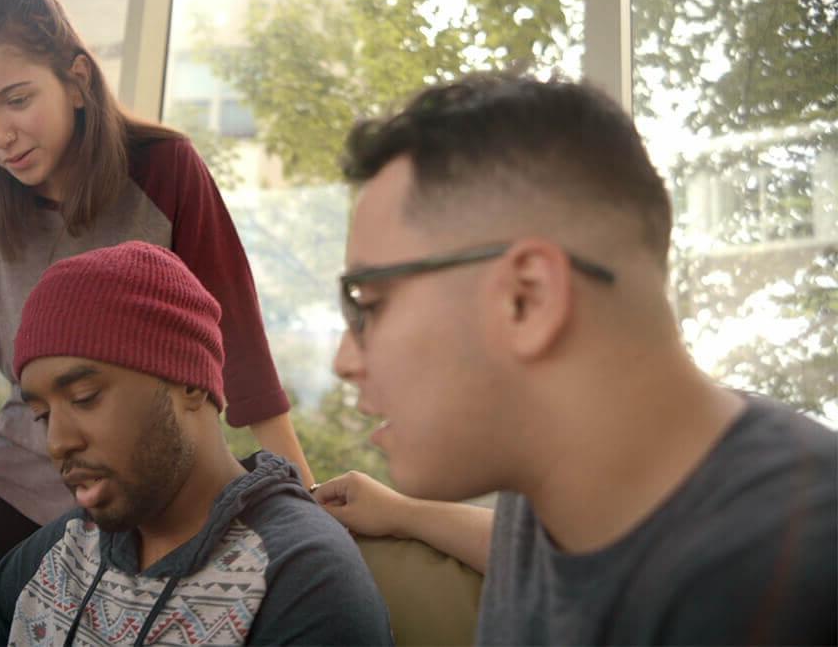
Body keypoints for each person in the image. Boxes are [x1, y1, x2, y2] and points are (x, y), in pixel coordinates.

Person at [315, 73, 836, 645]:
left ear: (528, 298)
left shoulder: (785, 581)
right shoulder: (551, 488)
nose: (346, 359)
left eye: (370, 303)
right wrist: (404, 514)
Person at [0, 0, 314, 616]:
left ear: (75, 79)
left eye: (17, 100)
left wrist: (306, 506)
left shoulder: (166, 168)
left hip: (158, 498)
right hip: (19, 489)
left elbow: (239, 345)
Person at [0, 242, 391, 646]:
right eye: (42, 415)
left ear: (190, 383)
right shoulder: (72, 544)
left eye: (86, 396)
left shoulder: (298, 575)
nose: (59, 443)